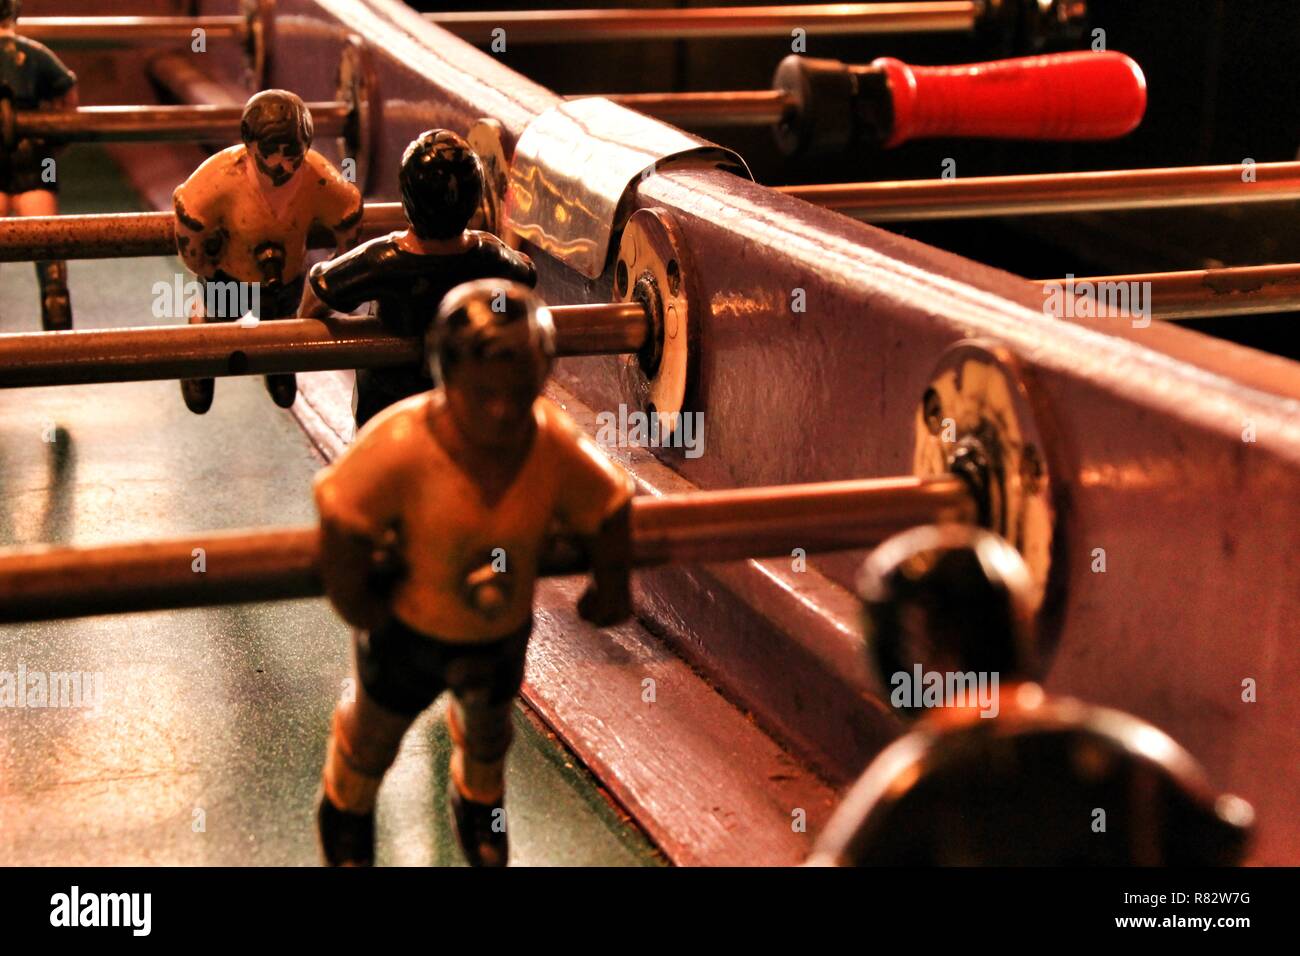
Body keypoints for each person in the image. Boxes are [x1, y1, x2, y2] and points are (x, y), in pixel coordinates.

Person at [312, 279, 634, 867]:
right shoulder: (405, 440)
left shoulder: (549, 442)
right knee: (374, 732)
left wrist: (610, 587)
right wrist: (354, 599)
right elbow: (341, 512)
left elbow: (610, 504)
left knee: (490, 732)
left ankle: (480, 803)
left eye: (518, 392)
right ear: (447, 376)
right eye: (484, 394)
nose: (501, 411)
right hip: (407, 629)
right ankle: (347, 805)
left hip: (496, 634)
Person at [305, 129, 536, 426]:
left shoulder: (382, 260)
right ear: (474, 199)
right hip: (459, 405)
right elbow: (525, 272)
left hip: (386, 411)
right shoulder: (489, 258)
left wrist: (303, 327)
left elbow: (320, 286)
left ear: (407, 199)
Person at [172, 89, 362, 413]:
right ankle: (200, 360)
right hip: (229, 272)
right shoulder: (222, 176)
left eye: (293, 153)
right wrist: (200, 264)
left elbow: (348, 211)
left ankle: (278, 364)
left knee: (281, 323)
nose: (281, 164)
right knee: (218, 319)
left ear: (307, 146)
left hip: (286, 274)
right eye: (271, 150)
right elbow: (189, 214)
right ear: (249, 144)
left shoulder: (315, 177)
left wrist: (341, 261)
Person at [0, 0, 78, 330]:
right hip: (36, 155)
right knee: (46, 235)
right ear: (12, 14)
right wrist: (53, 140)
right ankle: (55, 299)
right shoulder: (33, 52)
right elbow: (69, 95)